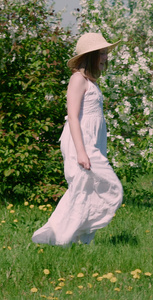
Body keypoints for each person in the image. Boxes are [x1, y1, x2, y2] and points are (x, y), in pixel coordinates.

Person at [32, 33, 123, 246]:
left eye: (105, 53)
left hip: (93, 140)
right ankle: (57, 234)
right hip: (80, 141)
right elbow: (72, 116)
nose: (105, 58)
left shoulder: (92, 82)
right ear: (90, 56)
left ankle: (81, 239)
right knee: (107, 187)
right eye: (101, 54)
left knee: (89, 188)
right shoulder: (77, 79)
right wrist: (82, 151)